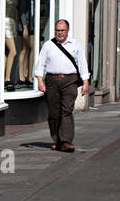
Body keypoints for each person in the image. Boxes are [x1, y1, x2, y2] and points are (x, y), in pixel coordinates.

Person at [34, 18, 90, 152]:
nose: (60, 33)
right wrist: (40, 81)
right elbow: (40, 64)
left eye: (62, 30)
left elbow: (82, 63)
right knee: (54, 113)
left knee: (66, 110)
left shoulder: (75, 45)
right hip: (52, 80)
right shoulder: (48, 45)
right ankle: (57, 140)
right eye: (58, 30)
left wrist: (85, 82)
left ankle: (66, 141)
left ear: (68, 31)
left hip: (69, 80)